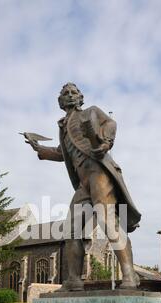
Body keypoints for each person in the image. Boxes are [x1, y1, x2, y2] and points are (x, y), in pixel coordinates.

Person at [24, 82, 141, 291]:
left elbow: (111, 123)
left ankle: (129, 275)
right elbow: (62, 153)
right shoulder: (64, 127)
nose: (70, 95)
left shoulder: (91, 112)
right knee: (71, 230)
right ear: (60, 101)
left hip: (99, 173)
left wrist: (105, 142)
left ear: (80, 98)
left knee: (106, 220)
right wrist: (38, 148)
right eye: (65, 93)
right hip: (83, 183)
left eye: (73, 93)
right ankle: (74, 280)